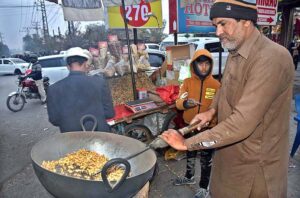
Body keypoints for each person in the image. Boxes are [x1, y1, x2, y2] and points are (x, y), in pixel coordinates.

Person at [161, 0, 294, 197]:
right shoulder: (235, 51)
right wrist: (212, 110)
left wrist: (186, 144)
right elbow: (225, 88)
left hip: (255, 167)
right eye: (216, 25)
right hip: (229, 154)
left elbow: (242, 123)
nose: (218, 32)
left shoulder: (271, 58)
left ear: (246, 22)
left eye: (223, 23)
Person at [172, 49, 220, 198]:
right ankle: (189, 176)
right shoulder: (187, 83)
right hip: (189, 126)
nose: (203, 67)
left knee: (206, 158)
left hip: (208, 128)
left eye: (207, 64)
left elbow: (218, 107)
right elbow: (178, 103)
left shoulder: (216, 85)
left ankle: (204, 187)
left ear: (210, 65)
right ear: (194, 65)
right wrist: (186, 103)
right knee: (190, 152)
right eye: (200, 64)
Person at [47, 47, 115, 133]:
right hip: (99, 135)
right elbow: (109, 113)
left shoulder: (53, 89)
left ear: (68, 66)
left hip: (71, 138)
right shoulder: (99, 82)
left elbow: (54, 119)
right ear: (85, 63)